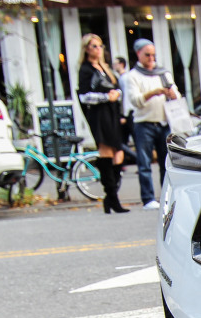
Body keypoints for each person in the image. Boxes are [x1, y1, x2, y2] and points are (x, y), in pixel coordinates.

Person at [122, 37, 180, 211]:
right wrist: (154, 92)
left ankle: (166, 196)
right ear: (138, 54)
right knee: (144, 162)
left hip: (164, 122)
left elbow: (176, 94)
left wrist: (170, 93)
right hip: (144, 123)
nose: (151, 58)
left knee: (166, 162)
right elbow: (135, 101)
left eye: (153, 55)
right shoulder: (132, 76)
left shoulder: (163, 73)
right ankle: (147, 198)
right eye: (147, 55)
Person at [76, 34, 128, 214]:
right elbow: (84, 95)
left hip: (112, 113)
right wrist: (107, 96)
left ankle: (110, 197)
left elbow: (118, 89)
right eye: (93, 46)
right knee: (106, 152)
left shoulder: (104, 68)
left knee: (119, 154)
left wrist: (116, 95)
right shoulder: (85, 70)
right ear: (86, 49)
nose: (98, 49)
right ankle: (112, 198)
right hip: (99, 114)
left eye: (100, 46)